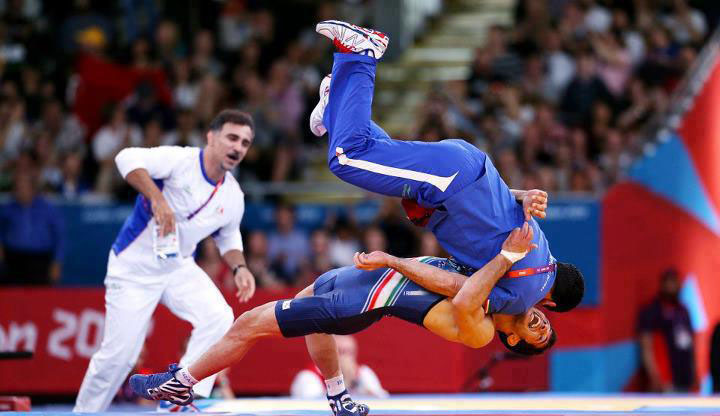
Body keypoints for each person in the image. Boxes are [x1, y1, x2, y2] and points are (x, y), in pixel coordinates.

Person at [130, 222, 555, 416]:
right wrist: (523, 201)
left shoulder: (482, 325)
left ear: (515, 343)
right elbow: (488, 221)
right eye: (546, 322)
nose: (541, 323)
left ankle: (180, 384)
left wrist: (505, 258)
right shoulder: (495, 289)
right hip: (352, 279)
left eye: (540, 336)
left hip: (360, 302)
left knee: (248, 324)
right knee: (304, 314)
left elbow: (461, 295)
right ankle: (338, 399)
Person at [310, 20, 584, 317]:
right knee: (347, 156)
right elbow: (462, 295)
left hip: (466, 167)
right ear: (550, 304)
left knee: (374, 154)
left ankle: (334, 103)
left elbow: (496, 205)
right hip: (452, 182)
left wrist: (521, 195)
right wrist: (397, 262)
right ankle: (362, 53)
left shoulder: (539, 244)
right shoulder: (522, 297)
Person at [73, 109, 257, 412]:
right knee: (119, 357)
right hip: (133, 267)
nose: (238, 147)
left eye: (245, 143)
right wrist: (157, 199)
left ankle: (180, 398)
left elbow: (228, 236)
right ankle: (84, 413)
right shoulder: (181, 160)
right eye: (232, 138)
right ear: (211, 138)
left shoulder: (233, 195)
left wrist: (239, 267)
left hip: (177, 266)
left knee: (219, 317)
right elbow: (126, 158)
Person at [0, 170, 65, 285]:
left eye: (24, 187)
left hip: (39, 260)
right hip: (13, 259)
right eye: (18, 188)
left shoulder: (47, 209)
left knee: (39, 297)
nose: (21, 191)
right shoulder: (7, 209)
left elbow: (59, 236)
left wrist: (57, 262)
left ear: (33, 189)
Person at [637, 268, 696, 392]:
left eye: (675, 282)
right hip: (665, 381)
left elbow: (690, 345)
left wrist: (694, 374)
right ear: (662, 284)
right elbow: (646, 346)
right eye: (669, 282)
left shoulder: (683, 311)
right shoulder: (652, 311)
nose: (672, 286)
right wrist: (655, 376)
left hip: (684, 379)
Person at [290, 335, 388, 399]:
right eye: (341, 352)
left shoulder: (363, 372)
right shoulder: (309, 376)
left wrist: (358, 385)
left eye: (350, 353)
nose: (346, 359)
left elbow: (383, 400)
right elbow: (312, 407)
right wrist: (343, 383)